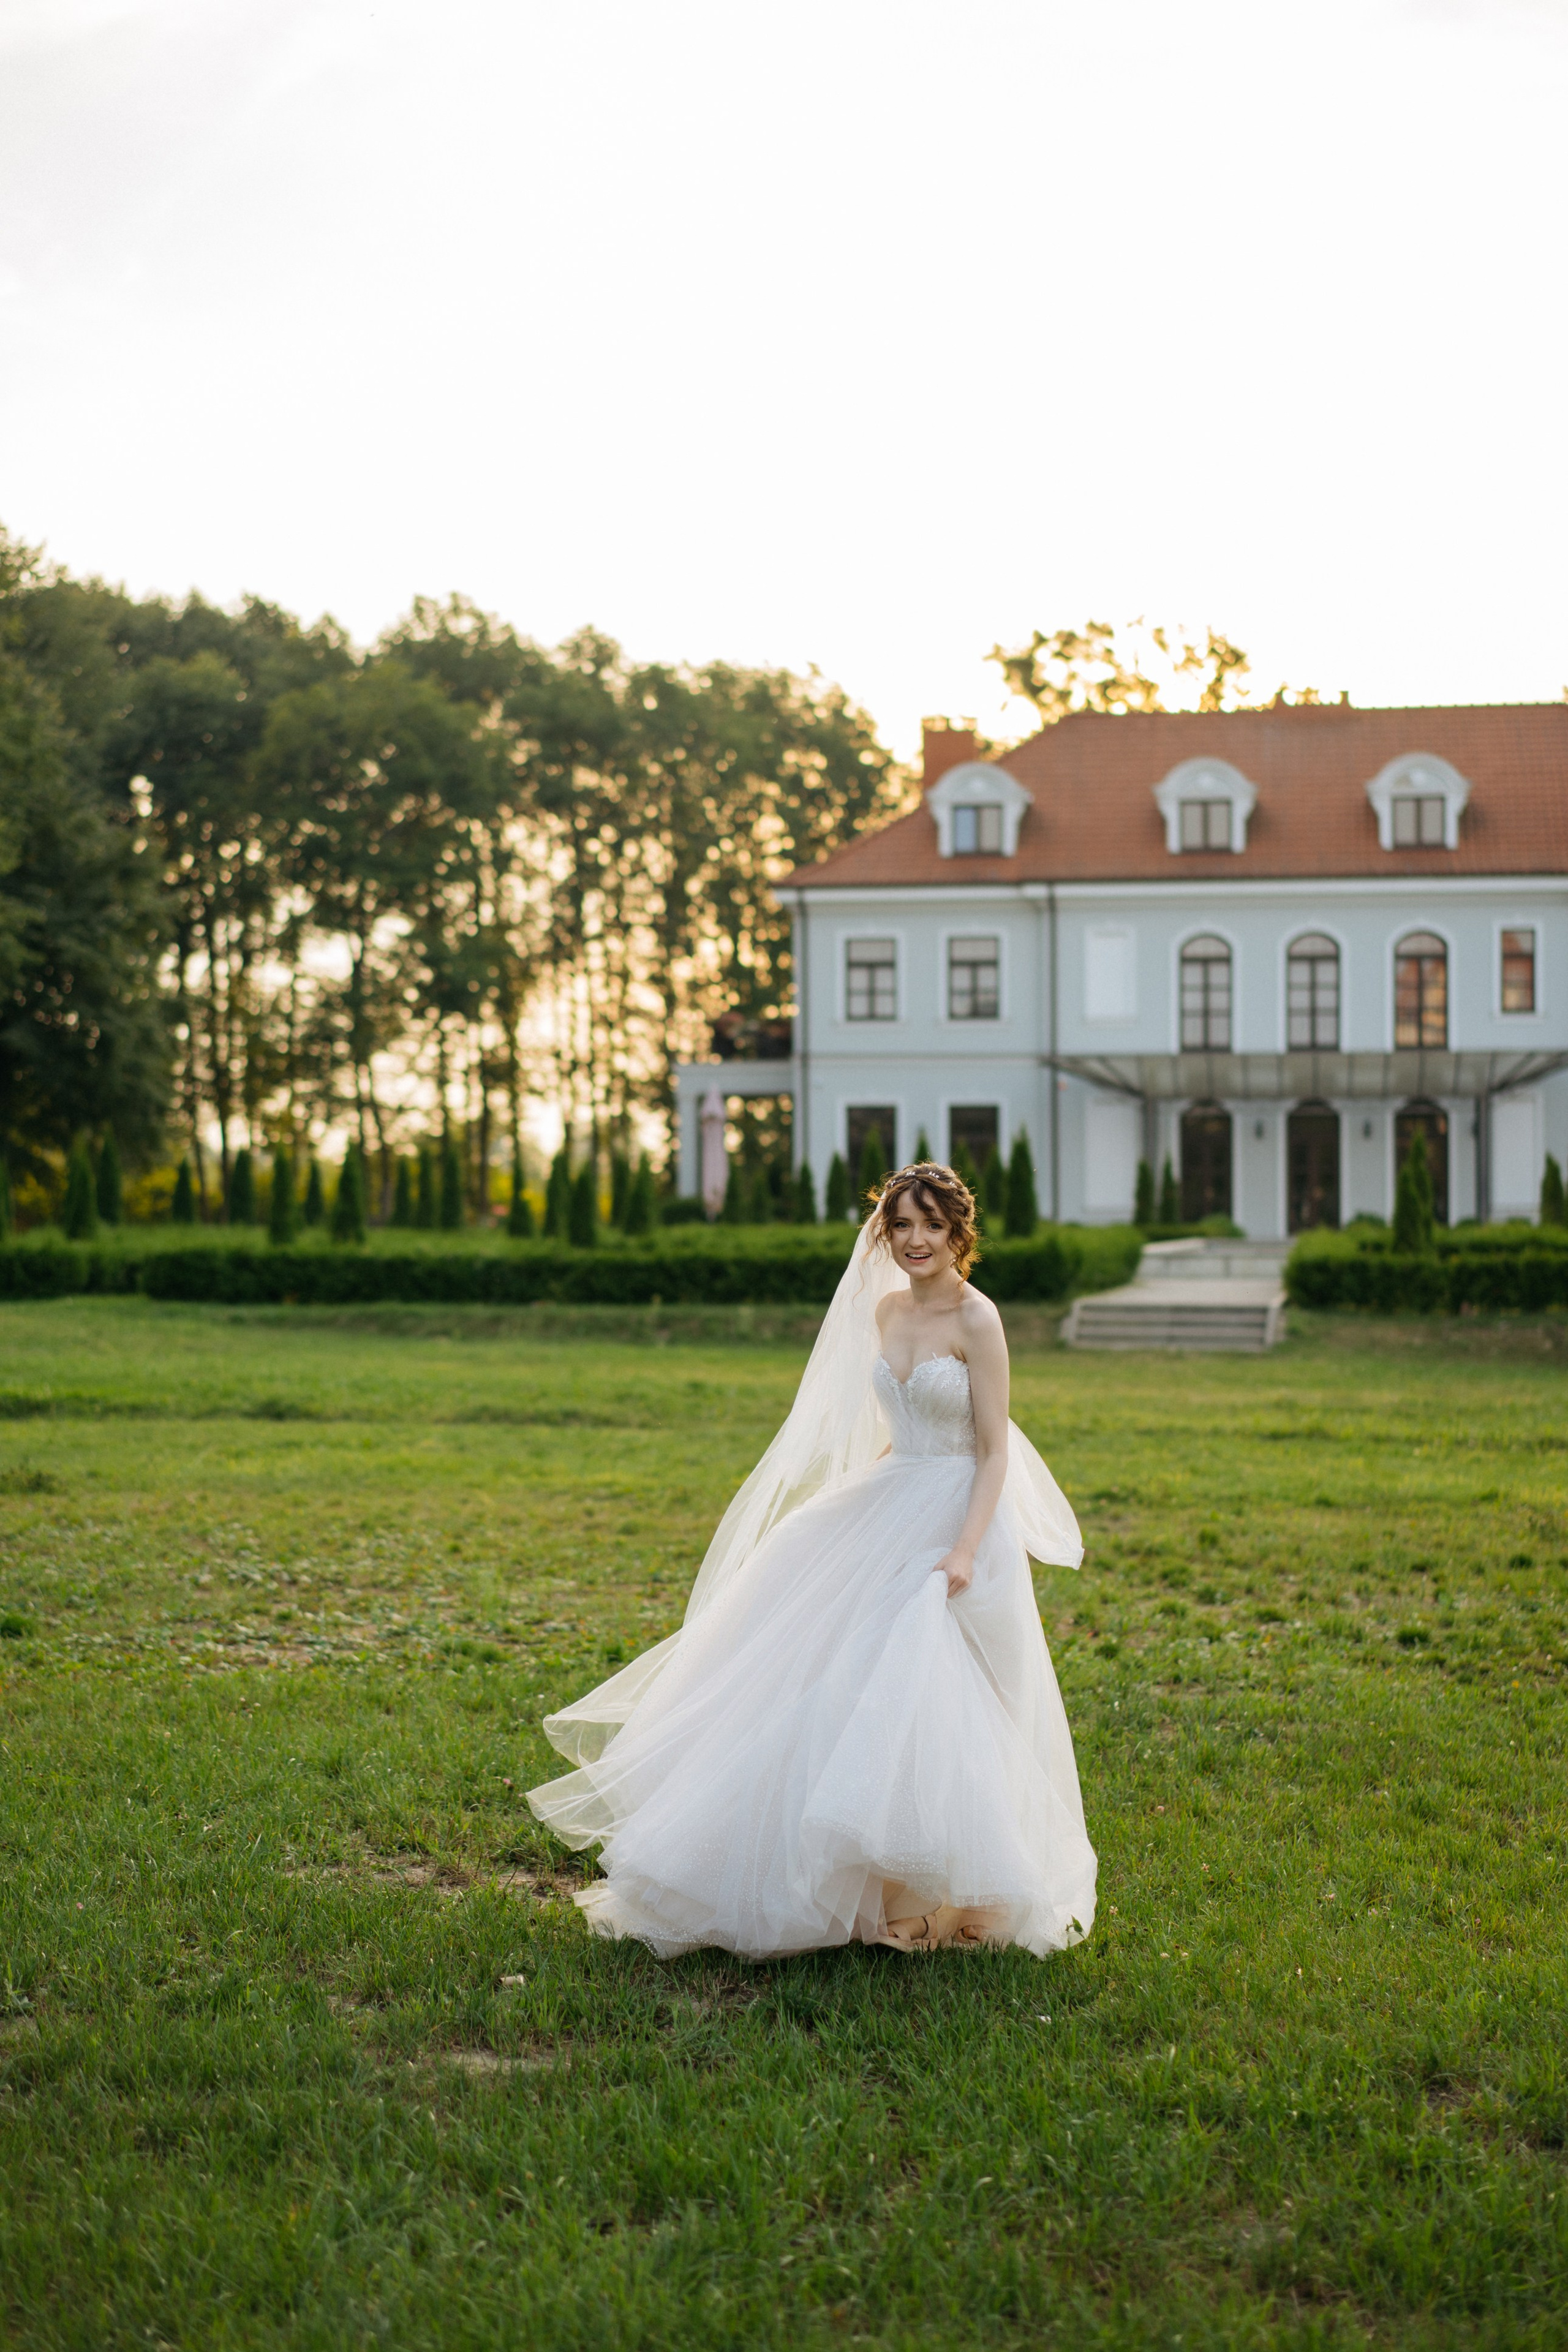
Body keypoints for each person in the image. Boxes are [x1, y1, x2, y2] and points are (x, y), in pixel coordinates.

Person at [527, 1161, 1096, 1958]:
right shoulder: (888, 1312)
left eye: (931, 1224)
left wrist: (965, 1549)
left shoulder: (979, 1318)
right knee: (820, 1665)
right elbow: (903, 1426)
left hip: (960, 1512)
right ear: (884, 1234)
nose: (915, 1240)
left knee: (933, 1684)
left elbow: (995, 1449)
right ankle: (812, 1871)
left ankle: (937, 1896)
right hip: (895, 1492)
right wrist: (863, 1496)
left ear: (958, 1231)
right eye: (900, 1225)